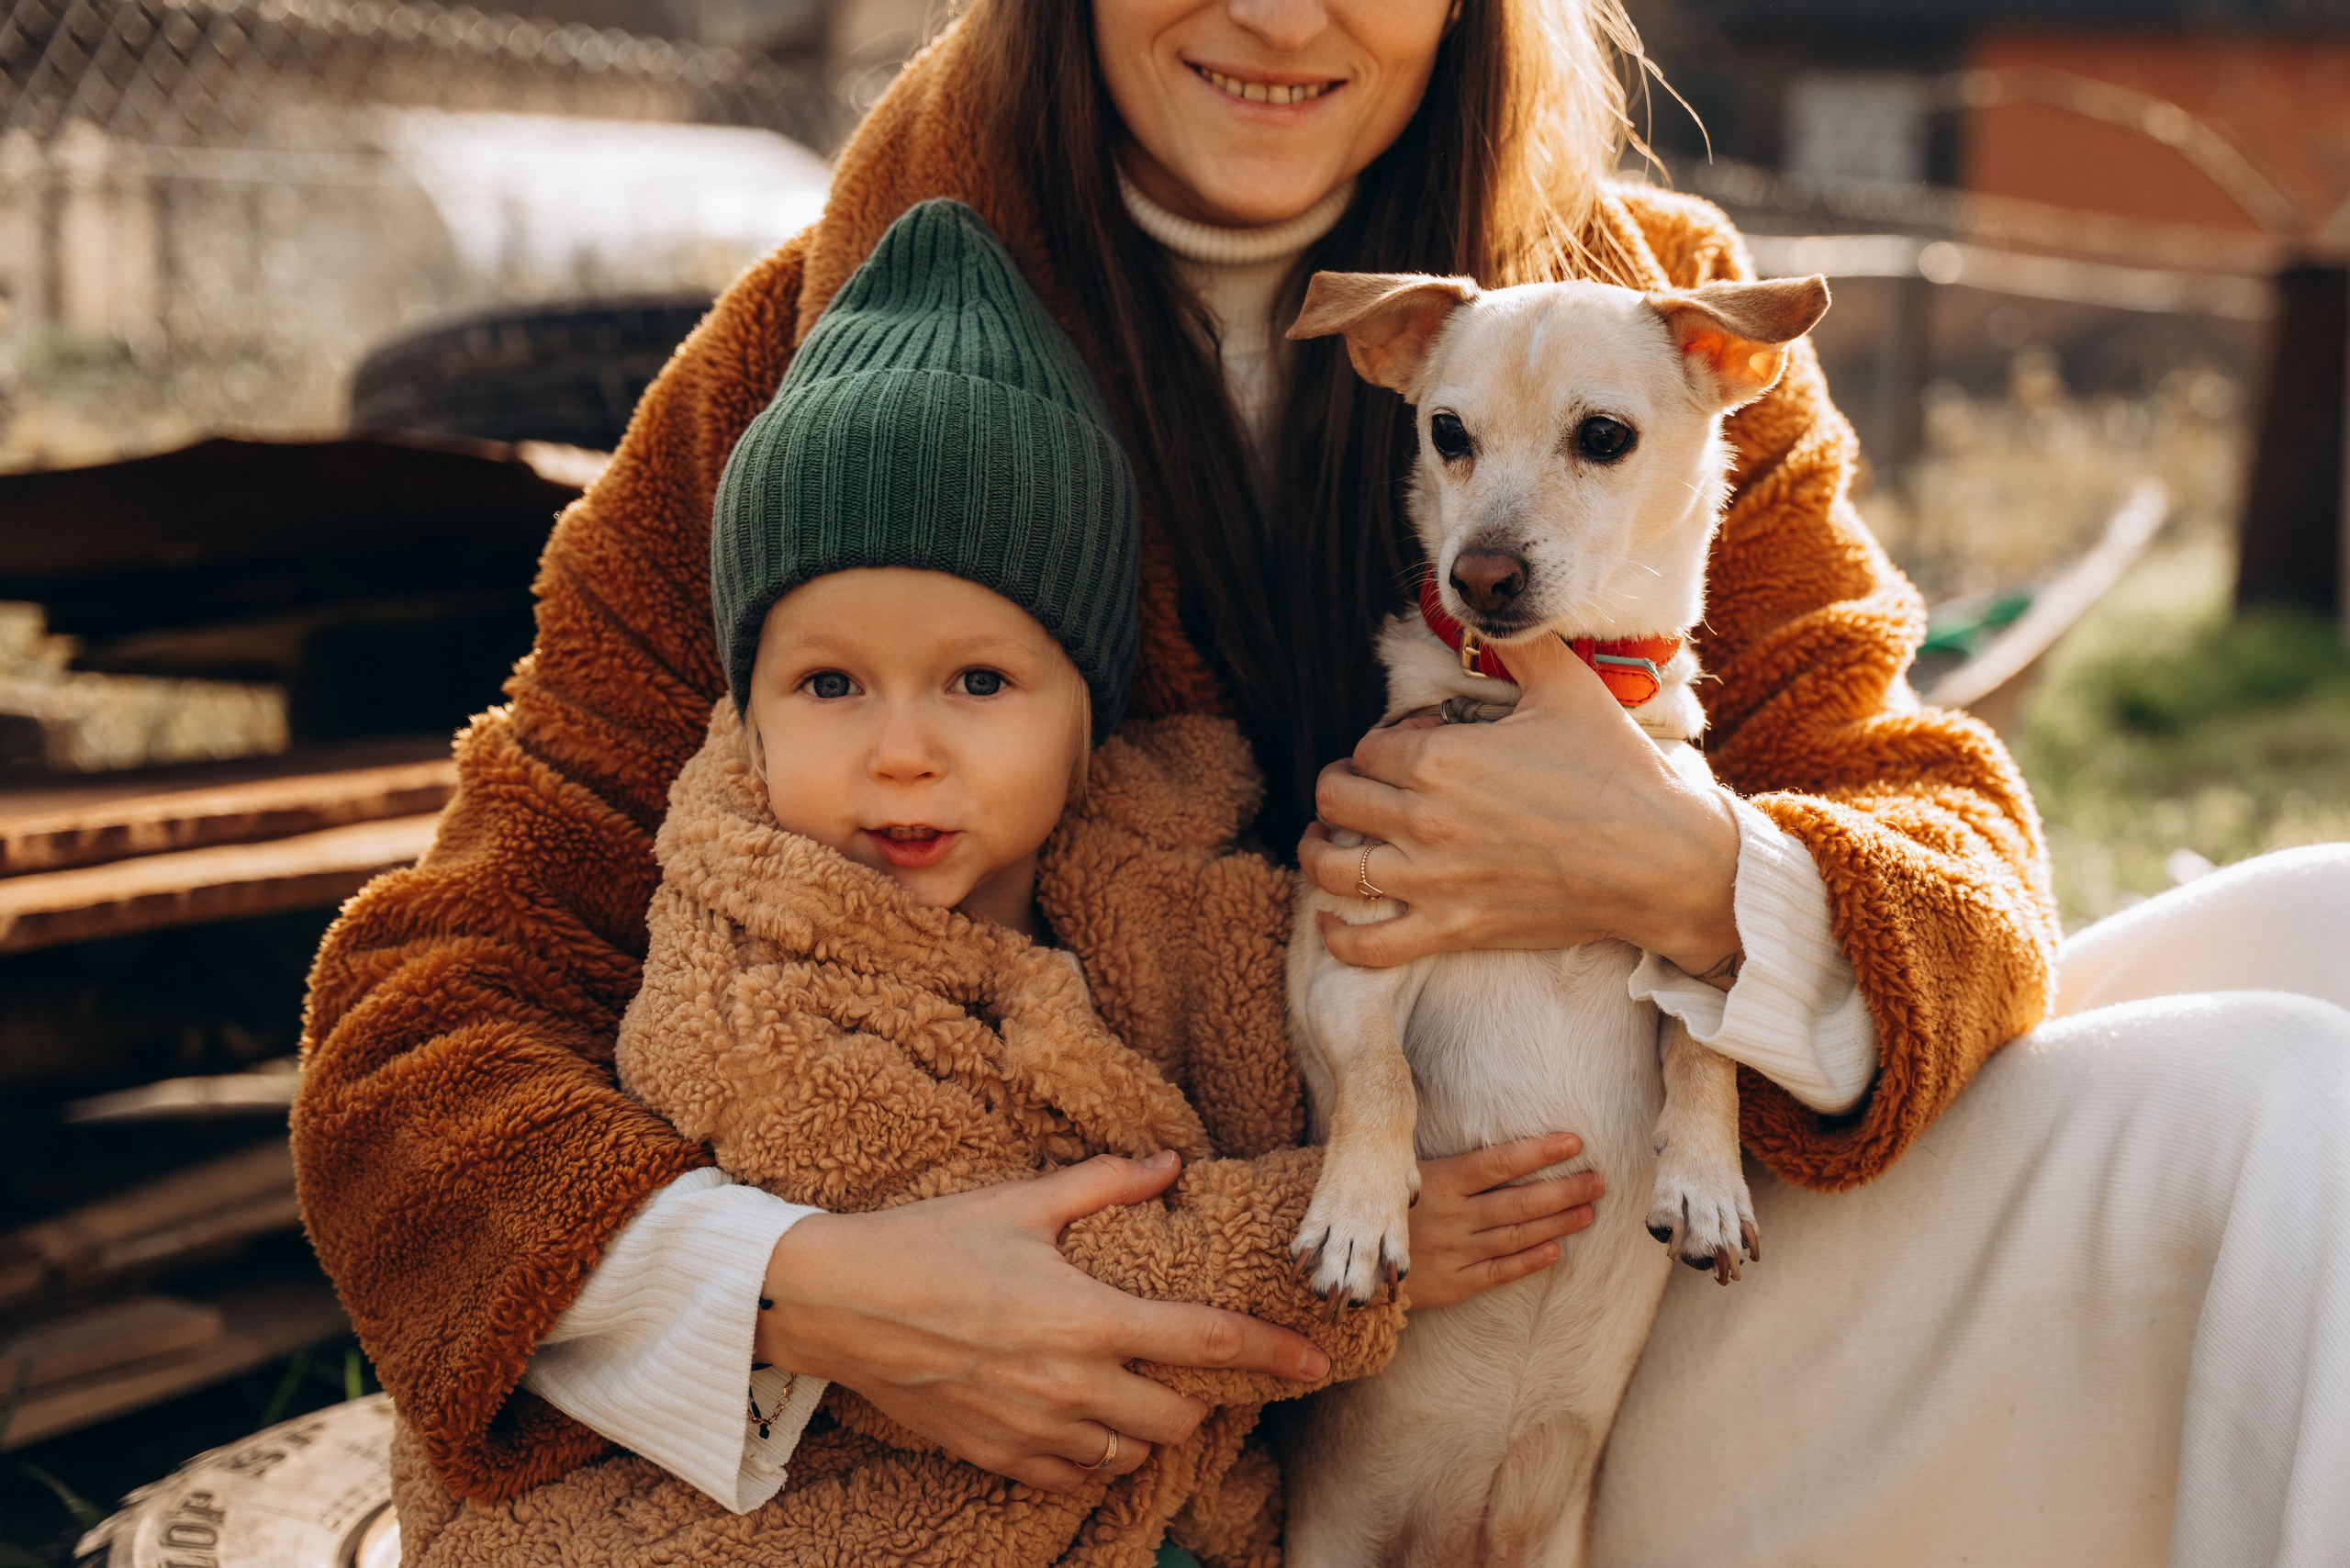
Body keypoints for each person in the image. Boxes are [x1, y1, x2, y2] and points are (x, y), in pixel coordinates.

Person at [290, 2, 2350, 1563]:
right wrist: (795, 1291)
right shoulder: (818, 366)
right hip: (1264, 1432)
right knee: (2282, 1103)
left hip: (1608, 1312)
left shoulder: (1639, 309)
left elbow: (1938, 825)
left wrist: (1689, 864)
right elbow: (429, 996)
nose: (1278, 17)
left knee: (2319, 921)